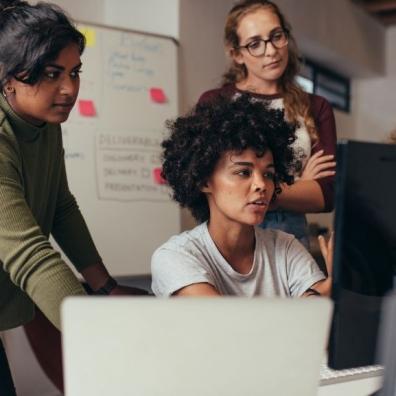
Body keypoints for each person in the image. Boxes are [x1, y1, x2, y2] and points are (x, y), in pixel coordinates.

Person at [0, 1, 144, 392]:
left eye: (74, 72)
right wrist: (100, 334)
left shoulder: (44, 122)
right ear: (8, 78)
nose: (69, 89)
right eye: (52, 74)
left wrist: (105, 287)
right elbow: (29, 254)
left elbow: (60, 205)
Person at [151, 94, 332, 298]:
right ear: (204, 181)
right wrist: (318, 298)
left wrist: (327, 291)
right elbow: (228, 324)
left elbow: (314, 317)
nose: (261, 185)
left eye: (269, 174)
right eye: (243, 172)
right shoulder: (175, 256)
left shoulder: (285, 246)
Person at [198, 0, 337, 248]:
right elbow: (201, 180)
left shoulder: (316, 107)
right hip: (227, 239)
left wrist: (247, 189)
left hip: (292, 239)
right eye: (255, 44)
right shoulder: (216, 102)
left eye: (276, 36)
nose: (271, 50)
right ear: (236, 54)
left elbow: (326, 196)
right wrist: (298, 187)